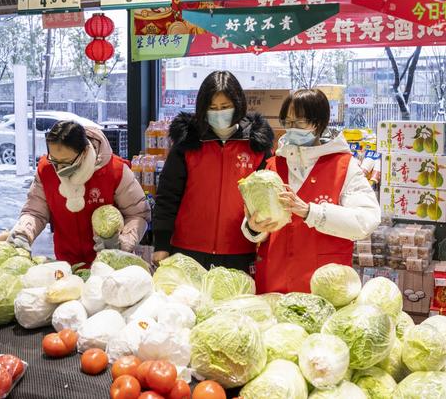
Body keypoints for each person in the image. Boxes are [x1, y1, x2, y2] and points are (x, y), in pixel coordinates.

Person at [244, 89, 381, 293]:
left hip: (326, 286)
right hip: (275, 280)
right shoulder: (273, 165)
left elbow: (365, 221)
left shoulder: (344, 166)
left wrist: (310, 212)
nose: (292, 129)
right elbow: (258, 225)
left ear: (318, 123)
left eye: (299, 122)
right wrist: (254, 228)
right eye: (288, 122)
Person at [152, 71, 274, 272]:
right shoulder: (188, 142)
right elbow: (168, 195)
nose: (219, 113)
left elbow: (265, 200)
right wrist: (161, 244)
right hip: (188, 249)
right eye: (212, 108)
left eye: (225, 107)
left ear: (238, 104)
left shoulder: (256, 145)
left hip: (240, 250)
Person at [0, 120, 150, 266]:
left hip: (110, 264)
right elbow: (35, 211)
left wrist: (121, 243)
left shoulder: (115, 171)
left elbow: (138, 213)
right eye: (54, 161)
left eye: (66, 163)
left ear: (84, 152)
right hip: (66, 264)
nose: (59, 169)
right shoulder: (46, 171)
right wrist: (23, 233)